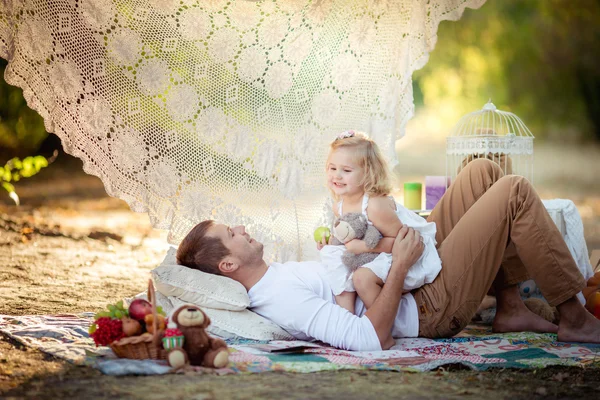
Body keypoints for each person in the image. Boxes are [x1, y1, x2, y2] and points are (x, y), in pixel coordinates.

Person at [176, 158, 600, 351]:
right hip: (427, 307)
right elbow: (370, 338)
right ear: (228, 265)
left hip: (411, 274)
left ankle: (509, 307)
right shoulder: (280, 299)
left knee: (482, 172)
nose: (244, 228)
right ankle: (575, 320)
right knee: (513, 191)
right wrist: (398, 263)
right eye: (233, 233)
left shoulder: (275, 274)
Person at [317, 130, 442, 315]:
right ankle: (346, 315)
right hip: (375, 252)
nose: (337, 176)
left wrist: (361, 247)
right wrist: (332, 241)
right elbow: (351, 233)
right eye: (332, 168)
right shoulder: (339, 206)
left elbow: (403, 243)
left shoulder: (375, 205)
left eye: (346, 170)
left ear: (367, 173)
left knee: (363, 279)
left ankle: (381, 323)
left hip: (407, 253)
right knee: (333, 258)